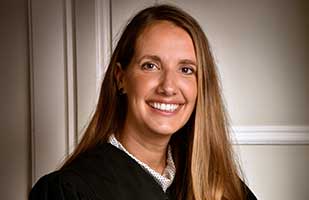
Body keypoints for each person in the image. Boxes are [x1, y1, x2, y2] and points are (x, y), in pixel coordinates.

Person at [29, 4, 257, 200]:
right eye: (150, 65)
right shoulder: (70, 190)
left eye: (186, 69)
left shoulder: (220, 187)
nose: (168, 87)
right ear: (121, 78)